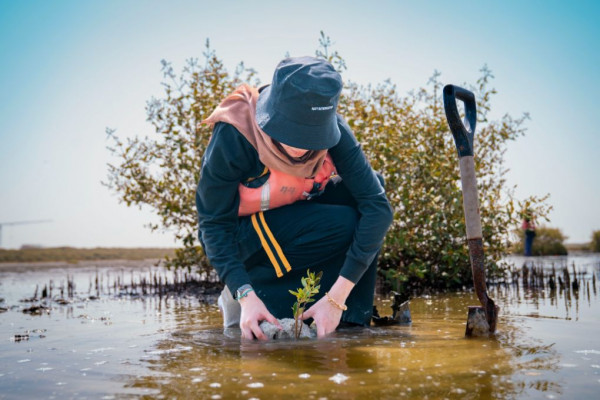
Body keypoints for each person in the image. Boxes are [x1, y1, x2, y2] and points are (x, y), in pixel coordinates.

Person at [196, 56, 393, 340]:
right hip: (243, 239)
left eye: (312, 136)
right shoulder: (234, 134)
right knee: (343, 222)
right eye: (293, 132)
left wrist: (337, 299)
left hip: (292, 221)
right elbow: (212, 224)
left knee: (369, 194)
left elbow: (378, 208)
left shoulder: (335, 131)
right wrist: (245, 293)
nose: (303, 147)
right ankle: (259, 301)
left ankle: (349, 320)